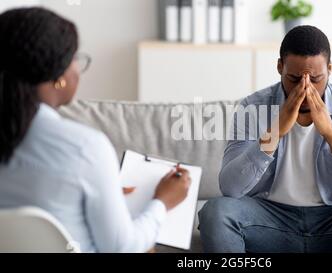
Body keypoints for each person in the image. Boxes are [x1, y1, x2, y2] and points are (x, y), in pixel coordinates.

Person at [198, 25, 332, 253]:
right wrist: (275, 132)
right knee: (216, 212)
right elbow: (230, 188)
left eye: (316, 79)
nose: (305, 89)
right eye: (293, 78)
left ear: (329, 69)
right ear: (279, 67)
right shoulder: (252, 108)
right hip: (269, 219)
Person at [0, 7, 191, 253]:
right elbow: (124, 247)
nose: (78, 68)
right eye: (74, 59)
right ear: (59, 77)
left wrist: (103, 189)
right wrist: (163, 202)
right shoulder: (85, 148)